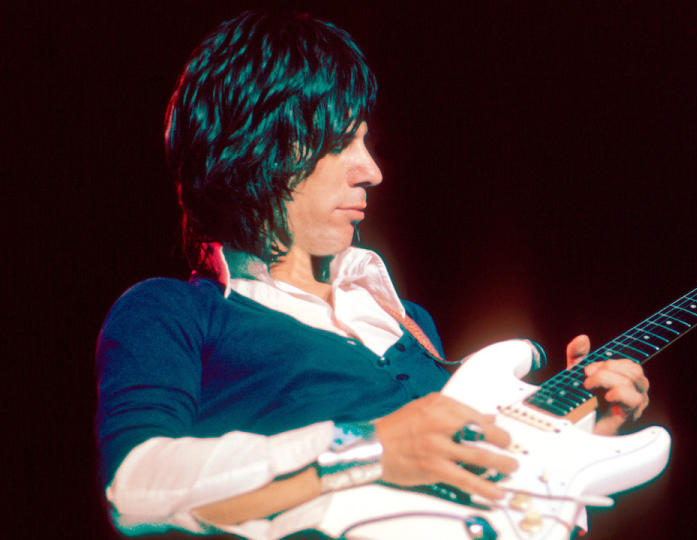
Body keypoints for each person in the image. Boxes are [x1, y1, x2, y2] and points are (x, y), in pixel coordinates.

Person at [96, 10, 650, 539]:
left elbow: (476, 502)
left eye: (367, 143)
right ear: (259, 146)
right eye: (342, 143)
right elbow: (137, 487)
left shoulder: (410, 325)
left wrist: (584, 443)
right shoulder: (172, 311)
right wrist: (368, 448)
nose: (373, 172)